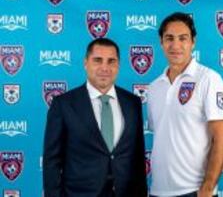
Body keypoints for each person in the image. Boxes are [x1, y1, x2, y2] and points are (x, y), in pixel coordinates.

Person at [43, 38, 147, 197]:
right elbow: (52, 162)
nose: (105, 67)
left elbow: (138, 158)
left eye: (111, 61)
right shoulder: (63, 104)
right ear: (86, 63)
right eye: (98, 60)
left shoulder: (132, 103)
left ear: (118, 65)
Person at [147, 12, 223, 197]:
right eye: (169, 38)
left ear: (193, 42)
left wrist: (208, 188)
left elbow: (222, 139)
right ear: (161, 42)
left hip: (194, 191)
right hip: (157, 191)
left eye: (182, 38)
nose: (175, 45)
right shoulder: (154, 87)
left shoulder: (209, 79)